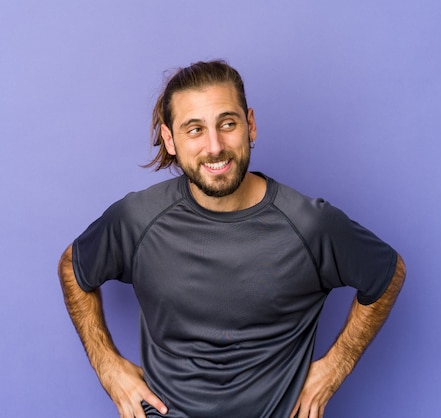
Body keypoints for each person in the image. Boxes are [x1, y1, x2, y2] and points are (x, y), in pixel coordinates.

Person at [58, 60, 406, 418]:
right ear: (170, 140)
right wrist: (107, 366)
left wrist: (335, 367)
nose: (215, 146)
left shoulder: (309, 224)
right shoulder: (138, 219)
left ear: (250, 125)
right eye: (194, 129)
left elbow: (387, 274)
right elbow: (73, 266)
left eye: (227, 124)